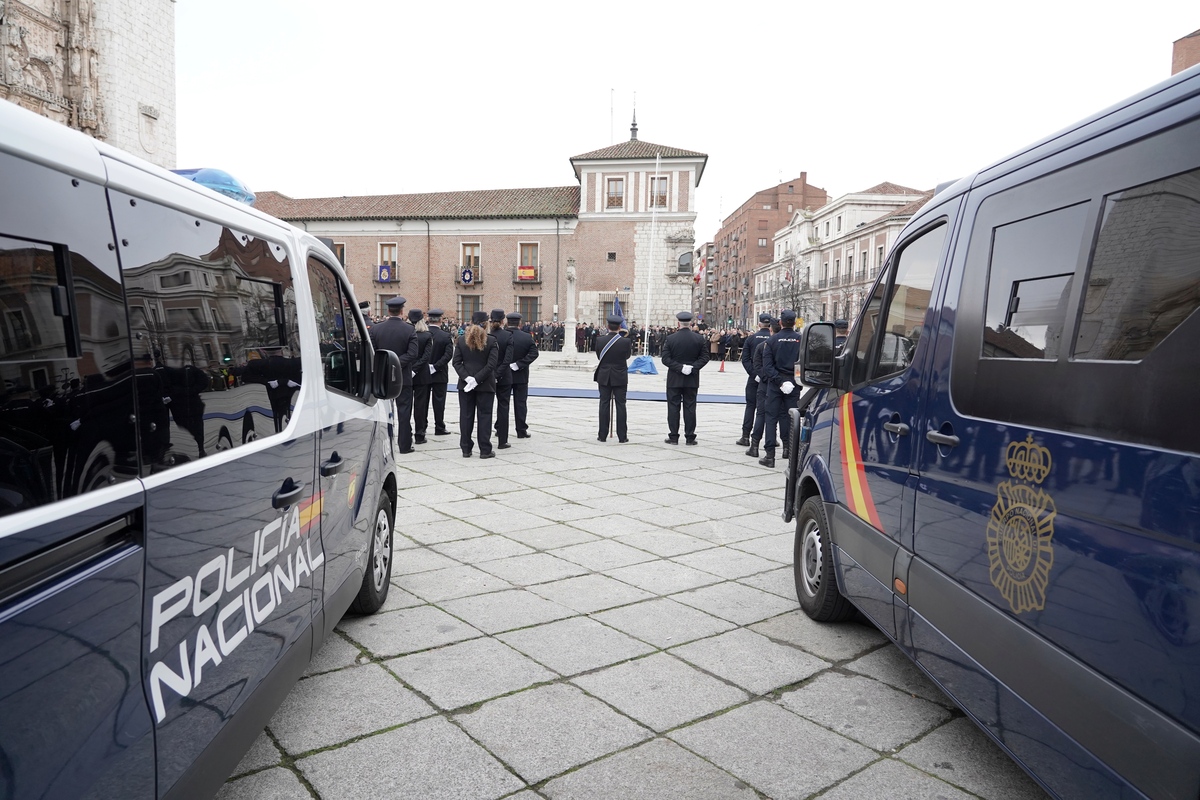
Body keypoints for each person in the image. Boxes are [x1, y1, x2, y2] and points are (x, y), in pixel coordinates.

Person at [368, 295, 419, 453]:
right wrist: (396, 363)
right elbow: (413, 354)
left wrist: (387, 363)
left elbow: (373, 352)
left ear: (388, 310)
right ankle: (404, 445)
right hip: (403, 377)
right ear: (402, 310)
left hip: (383, 378)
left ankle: (382, 445)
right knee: (404, 412)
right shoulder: (409, 329)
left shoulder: (376, 329)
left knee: (382, 413)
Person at [759, 309, 804, 468]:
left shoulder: (771, 341)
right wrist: (792, 381)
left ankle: (770, 456)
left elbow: (768, 367)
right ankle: (788, 450)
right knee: (791, 419)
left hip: (775, 385)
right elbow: (803, 364)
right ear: (794, 322)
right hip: (793, 385)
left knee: (771, 418)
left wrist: (779, 382)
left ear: (780, 323)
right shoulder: (801, 340)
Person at [452, 310, 498, 458]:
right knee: (484, 416)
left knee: (466, 416)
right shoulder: (491, 341)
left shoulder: (461, 340)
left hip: (465, 385)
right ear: (486, 324)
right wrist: (476, 379)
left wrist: (468, 378)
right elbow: (491, 365)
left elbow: (456, 363)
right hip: (485, 385)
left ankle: (466, 449)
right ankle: (485, 449)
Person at [660, 311, 709, 445]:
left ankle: (674, 437)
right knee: (690, 408)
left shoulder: (671, 339)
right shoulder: (699, 339)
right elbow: (705, 357)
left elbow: (665, 359)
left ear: (678, 324)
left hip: (674, 378)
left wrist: (679, 367)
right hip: (691, 379)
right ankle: (689, 437)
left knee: (673, 407)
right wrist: (693, 367)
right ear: (691, 324)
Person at [593, 313, 632, 442]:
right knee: (621, 405)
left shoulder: (600, 340)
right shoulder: (626, 341)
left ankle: (602, 435)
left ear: (608, 326)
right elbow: (627, 356)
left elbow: (599, 356)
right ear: (620, 327)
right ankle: (622, 436)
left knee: (604, 404)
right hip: (620, 375)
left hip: (604, 376)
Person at [737, 313, 775, 448]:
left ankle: (746, 436)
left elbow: (745, 359)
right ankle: (772, 437)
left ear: (759, 324)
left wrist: (754, 374)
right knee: (771, 409)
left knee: (751, 406)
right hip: (770, 378)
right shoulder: (773, 338)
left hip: (754, 377)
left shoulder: (751, 339)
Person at [746, 318, 781, 458]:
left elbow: (757, 364)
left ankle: (754, 445)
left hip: (765, 383)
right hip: (781, 384)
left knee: (760, 413)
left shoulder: (764, 344)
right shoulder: (792, 342)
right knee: (780, 415)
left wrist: (760, 377)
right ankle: (786, 449)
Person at [505, 311, 538, 438]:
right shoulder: (526, 337)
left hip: (503, 375)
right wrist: (519, 364)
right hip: (521, 375)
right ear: (520, 323)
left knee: (503, 403)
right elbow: (534, 353)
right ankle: (521, 430)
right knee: (520, 403)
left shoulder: (501, 336)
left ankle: (499, 428)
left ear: (507, 322)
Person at [488, 309, 515, 449]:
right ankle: (502, 440)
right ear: (503, 321)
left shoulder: (486, 335)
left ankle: (485, 440)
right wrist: (498, 374)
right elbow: (508, 359)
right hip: (504, 377)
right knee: (503, 407)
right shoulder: (508, 336)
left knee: (485, 409)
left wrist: (492, 374)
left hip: (487, 377)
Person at [426, 308, 454, 435]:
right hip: (440, 372)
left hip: (423, 372)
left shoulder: (421, 334)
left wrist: (427, 366)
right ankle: (439, 426)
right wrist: (436, 367)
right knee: (439, 401)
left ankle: (421, 427)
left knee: (422, 401)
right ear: (441, 320)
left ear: (428, 319)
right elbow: (448, 355)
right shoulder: (445, 335)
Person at [408, 309, 435, 444]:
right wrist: (416, 369)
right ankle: (420, 434)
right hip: (422, 375)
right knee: (420, 406)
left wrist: (411, 369)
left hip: (407, 373)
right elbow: (426, 356)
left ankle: (407, 433)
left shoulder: (405, 334)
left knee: (406, 406)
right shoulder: (427, 336)